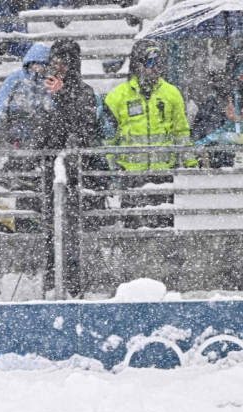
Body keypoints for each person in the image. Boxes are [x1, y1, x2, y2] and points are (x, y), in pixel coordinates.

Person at [103, 40, 196, 228]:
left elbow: (181, 132)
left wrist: (190, 163)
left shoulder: (171, 93)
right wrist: (110, 172)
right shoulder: (117, 96)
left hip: (164, 173)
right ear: (138, 64)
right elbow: (109, 138)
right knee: (133, 229)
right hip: (131, 175)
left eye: (159, 62)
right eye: (150, 62)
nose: (156, 68)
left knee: (165, 227)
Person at [41, 39, 107, 297]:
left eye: (64, 63)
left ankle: (76, 284)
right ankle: (50, 281)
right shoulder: (42, 90)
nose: (58, 68)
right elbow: (39, 129)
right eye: (55, 62)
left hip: (79, 174)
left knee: (75, 231)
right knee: (49, 229)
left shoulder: (84, 92)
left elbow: (83, 126)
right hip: (46, 171)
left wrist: (62, 96)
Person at [0, 42, 53, 149]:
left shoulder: (48, 81)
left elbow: (51, 102)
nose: (38, 68)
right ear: (29, 63)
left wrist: (49, 113)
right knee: (17, 139)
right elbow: (3, 96)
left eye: (42, 65)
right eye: (35, 64)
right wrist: (0, 115)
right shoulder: (16, 77)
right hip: (16, 120)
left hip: (39, 123)